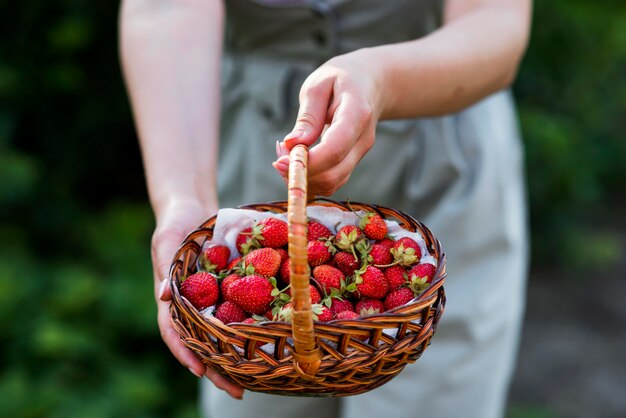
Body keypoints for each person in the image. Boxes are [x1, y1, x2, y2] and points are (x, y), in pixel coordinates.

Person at [119, 0, 532, 417]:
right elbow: (164, 9)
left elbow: (495, 19)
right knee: (259, 378)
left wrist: (382, 79)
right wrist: (184, 200)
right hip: (261, 164)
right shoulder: (244, 236)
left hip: (441, 141)